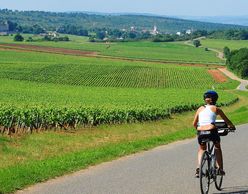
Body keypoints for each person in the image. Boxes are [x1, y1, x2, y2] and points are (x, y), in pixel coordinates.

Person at [193, 90, 235, 178]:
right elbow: (227, 121)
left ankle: (199, 168)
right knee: (217, 146)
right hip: (211, 130)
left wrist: (200, 129)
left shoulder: (200, 109)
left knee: (202, 149)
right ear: (215, 99)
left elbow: (194, 124)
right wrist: (231, 126)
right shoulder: (216, 109)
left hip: (200, 131)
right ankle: (219, 168)